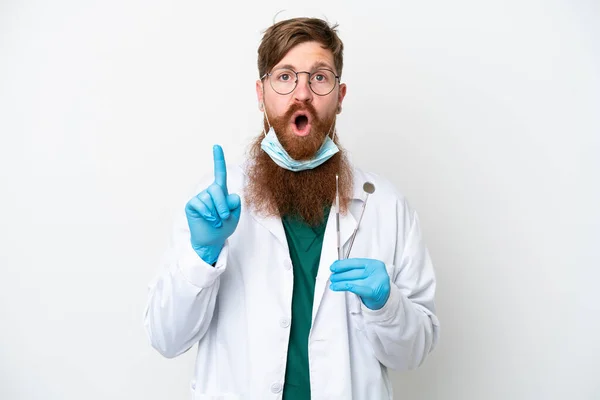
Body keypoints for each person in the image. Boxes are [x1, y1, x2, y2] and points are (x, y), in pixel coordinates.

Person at [144, 17, 439, 400]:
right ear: (261, 92)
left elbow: (412, 353)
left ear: (341, 95)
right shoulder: (217, 200)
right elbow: (166, 338)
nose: (302, 93)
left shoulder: (386, 207)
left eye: (319, 77)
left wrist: (387, 304)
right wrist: (203, 256)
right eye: (285, 77)